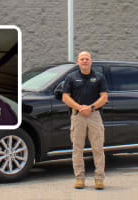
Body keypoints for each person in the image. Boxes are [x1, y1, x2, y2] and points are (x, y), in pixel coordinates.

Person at [62, 51, 108, 189]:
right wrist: (80, 108)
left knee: (98, 148)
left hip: (94, 115)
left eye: (87, 59)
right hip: (77, 116)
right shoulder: (71, 77)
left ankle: (99, 178)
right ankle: (79, 178)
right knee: (77, 149)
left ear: (91, 61)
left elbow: (104, 97)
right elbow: (65, 97)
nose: (84, 61)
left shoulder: (99, 77)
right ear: (78, 62)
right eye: (82, 59)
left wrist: (91, 107)